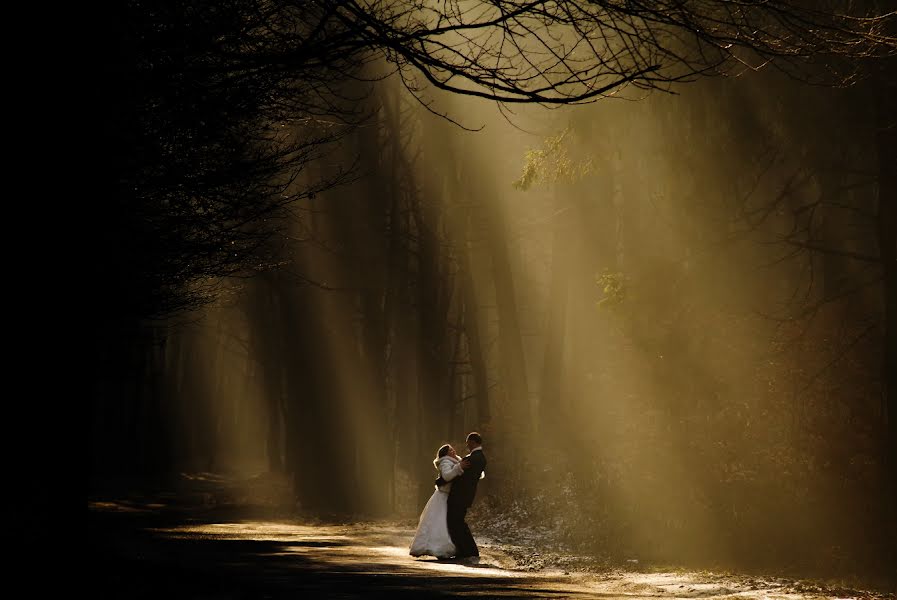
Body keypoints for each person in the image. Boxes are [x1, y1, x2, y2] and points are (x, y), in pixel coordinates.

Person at [437, 432, 486, 562]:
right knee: (457, 523)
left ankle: (467, 550)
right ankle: (465, 550)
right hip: (466, 496)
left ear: (473, 442)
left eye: (468, 442)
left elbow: (458, 478)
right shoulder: (481, 458)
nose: (466, 445)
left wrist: (440, 481)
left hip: (459, 496)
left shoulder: (470, 459)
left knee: (456, 523)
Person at [409, 444, 464, 559]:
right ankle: (439, 547)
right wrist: (459, 468)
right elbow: (447, 476)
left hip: (448, 496)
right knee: (440, 521)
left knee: (446, 522)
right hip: (442, 496)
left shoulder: (456, 461)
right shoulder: (445, 462)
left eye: (453, 449)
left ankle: (449, 547)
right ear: (445, 454)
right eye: (450, 450)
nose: (453, 451)